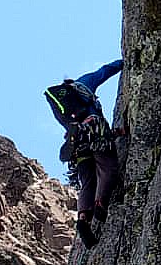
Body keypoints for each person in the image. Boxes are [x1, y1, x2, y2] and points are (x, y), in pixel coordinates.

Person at [44, 59, 126, 248]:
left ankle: (83, 219)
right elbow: (104, 71)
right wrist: (125, 61)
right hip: (94, 129)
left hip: (77, 143)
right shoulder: (82, 84)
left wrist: (117, 132)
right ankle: (100, 205)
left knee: (88, 181)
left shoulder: (62, 111)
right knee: (107, 168)